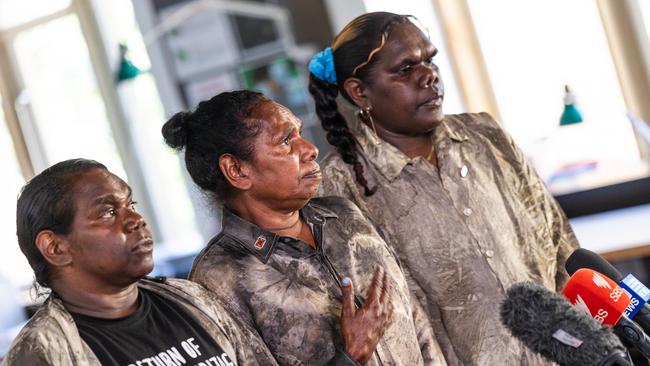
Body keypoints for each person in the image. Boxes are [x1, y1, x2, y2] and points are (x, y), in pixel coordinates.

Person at [308, 11, 580, 366]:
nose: (429, 76)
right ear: (360, 93)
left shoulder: (485, 137)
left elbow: (561, 246)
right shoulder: (337, 188)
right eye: (405, 69)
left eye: (430, 59)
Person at [161, 90, 447, 365]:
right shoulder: (219, 277)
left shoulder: (343, 216)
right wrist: (352, 356)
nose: (310, 149)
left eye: (298, 132)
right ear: (237, 170)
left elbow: (414, 318)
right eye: (286, 140)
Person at [3, 158, 277, 366]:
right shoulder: (43, 353)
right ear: (55, 247)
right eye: (108, 212)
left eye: (130, 205)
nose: (136, 220)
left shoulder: (192, 299)